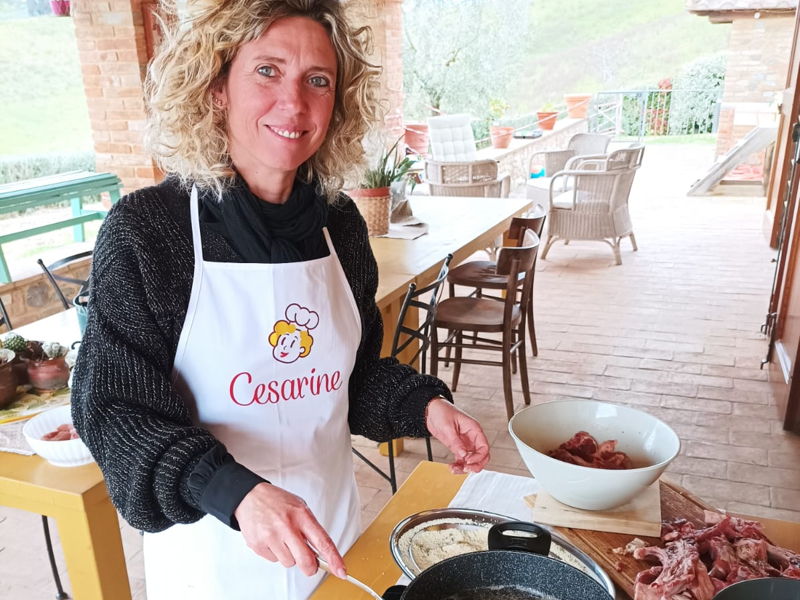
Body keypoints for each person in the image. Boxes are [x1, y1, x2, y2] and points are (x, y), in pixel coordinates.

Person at [71, 1, 490, 599]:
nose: (294, 103)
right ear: (217, 87)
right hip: (215, 555)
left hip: (334, 541)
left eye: (317, 81)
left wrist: (423, 407)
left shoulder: (340, 225)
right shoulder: (149, 231)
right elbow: (112, 411)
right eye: (267, 70)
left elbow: (353, 375)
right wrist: (234, 492)